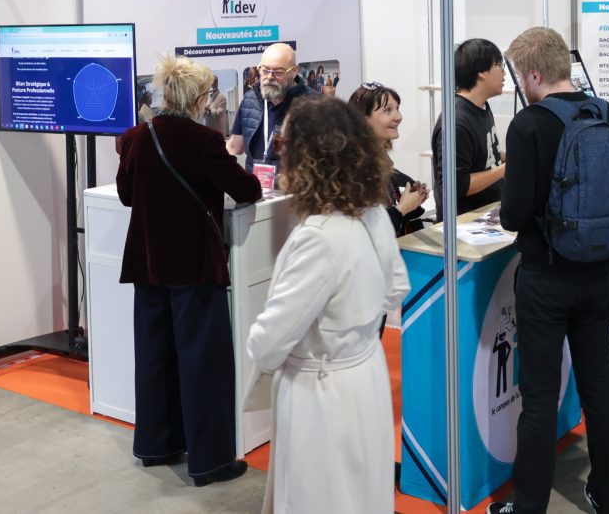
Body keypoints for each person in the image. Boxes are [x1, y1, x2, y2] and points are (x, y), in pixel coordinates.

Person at [490, 27, 609, 514]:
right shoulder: (608, 114)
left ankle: (529, 506)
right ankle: (606, 495)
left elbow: (512, 214)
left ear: (533, 73)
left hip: (546, 277)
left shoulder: (529, 125)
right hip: (600, 273)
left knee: (539, 396)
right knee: (598, 389)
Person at [247, 97, 409, 513]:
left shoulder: (319, 237)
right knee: (361, 494)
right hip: (363, 377)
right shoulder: (371, 213)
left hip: (320, 395)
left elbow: (269, 343)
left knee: (322, 495)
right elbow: (395, 289)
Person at [116, 54, 262, 487]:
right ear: (199, 97)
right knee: (204, 364)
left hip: (147, 264)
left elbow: (126, 195)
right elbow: (247, 188)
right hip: (194, 266)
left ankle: (156, 446)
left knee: (154, 358)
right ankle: (209, 462)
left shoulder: (139, 137)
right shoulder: (202, 141)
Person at [430, 38, 506, 221]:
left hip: (487, 215)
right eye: (499, 65)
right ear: (481, 72)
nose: (504, 72)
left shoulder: (481, 106)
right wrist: (505, 169)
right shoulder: (457, 122)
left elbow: (483, 157)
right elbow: (458, 184)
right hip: (465, 226)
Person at [349, 81, 430, 237]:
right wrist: (403, 208)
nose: (398, 117)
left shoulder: (380, 161)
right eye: (388, 110)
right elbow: (366, 230)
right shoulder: (355, 169)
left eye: (397, 109)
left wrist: (413, 202)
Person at [227, 43, 311, 174]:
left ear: (294, 72)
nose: (270, 77)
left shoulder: (313, 104)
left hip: (293, 189)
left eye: (278, 72)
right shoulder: (250, 99)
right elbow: (235, 146)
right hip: (255, 189)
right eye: (265, 70)